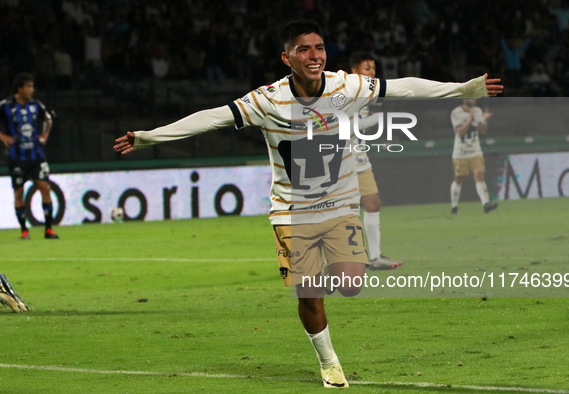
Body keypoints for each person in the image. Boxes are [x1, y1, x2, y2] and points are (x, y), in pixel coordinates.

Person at [114, 20, 502, 388]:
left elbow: (402, 87)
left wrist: (463, 89)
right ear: (287, 59)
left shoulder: (344, 86)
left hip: (338, 205)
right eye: (304, 49)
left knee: (350, 284)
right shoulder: (267, 100)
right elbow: (212, 118)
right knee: (309, 291)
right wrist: (149, 137)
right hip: (291, 212)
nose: (314, 55)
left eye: (319, 47)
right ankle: (329, 362)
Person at [348, 51, 402, 270]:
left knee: (373, 203)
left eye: (373, 68)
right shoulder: (345, 92)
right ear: (354, 71)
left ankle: (375, 257)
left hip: (360, 158)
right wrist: (377, 118)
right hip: (341, 161)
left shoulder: (366, 96)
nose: (372, 72)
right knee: (343, 212)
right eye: (367, 67)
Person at [0, 73, 60, 240]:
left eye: (32, 86)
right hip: (16, 157)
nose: (31, 90)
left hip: (36, 156)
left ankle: (48, 230)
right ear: (19, 89)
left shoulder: (35, 105)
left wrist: (45, 135)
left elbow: (48, 119)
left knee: (44, 187)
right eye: (28, 87)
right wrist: (3, 136)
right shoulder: (5, 106)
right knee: (19, 192)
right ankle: (24, 231)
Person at [450, 99, 498, 215]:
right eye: (471, 97)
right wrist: (470, 119)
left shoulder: (478, 111)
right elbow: (460, 131)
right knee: (458, 179)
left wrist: (484, 120)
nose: (474, 99)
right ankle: (454, 207)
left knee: (479, 176)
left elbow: (482, 131)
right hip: (460, 152)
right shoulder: (456, 112)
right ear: (464, 99)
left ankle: (486, 204)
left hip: (475, 150)